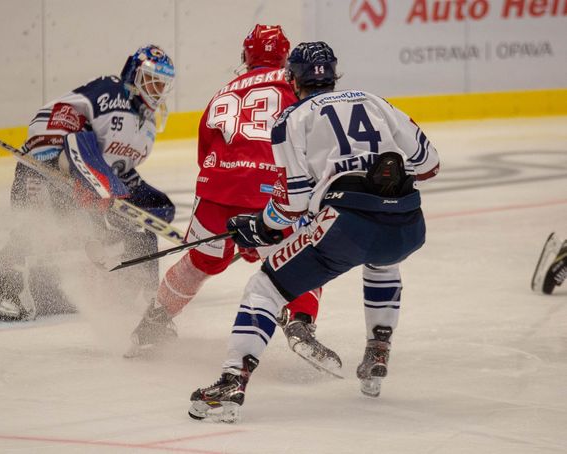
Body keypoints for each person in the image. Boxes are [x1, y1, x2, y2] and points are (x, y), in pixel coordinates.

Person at [188, 41, 441, 423]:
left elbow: (292, 203)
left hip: (348, 225)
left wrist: (259, 227)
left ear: (292, 79)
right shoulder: (376, 102)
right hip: (408, 223)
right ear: (335, 75)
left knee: (265, 288)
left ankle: (230, 383)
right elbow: (430, 165)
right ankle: (378, 349)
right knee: (383, 259)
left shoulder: (292, 119)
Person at [126, 25, 342, 375]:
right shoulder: (294, 83)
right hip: (270, 189)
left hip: (216, 190)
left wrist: (227, 192)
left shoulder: (223, 92)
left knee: (200, 263)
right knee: (305, 256)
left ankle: (153, 322)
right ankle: (300, 323)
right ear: (285, 57)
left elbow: (206, 151)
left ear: (246, 56)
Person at [0, 44, 177, 320]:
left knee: (87, 236)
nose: (157, 89)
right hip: (47, 168)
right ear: (134, 74)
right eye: (151, 80)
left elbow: (118, 170)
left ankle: (140, 290)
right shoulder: (110, 91)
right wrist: (57, 158)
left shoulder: (147, 129)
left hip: (85, 185)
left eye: (162, 84)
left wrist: (141, 199)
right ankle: (9, 281)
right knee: (35, 222)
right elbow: (59, 121)